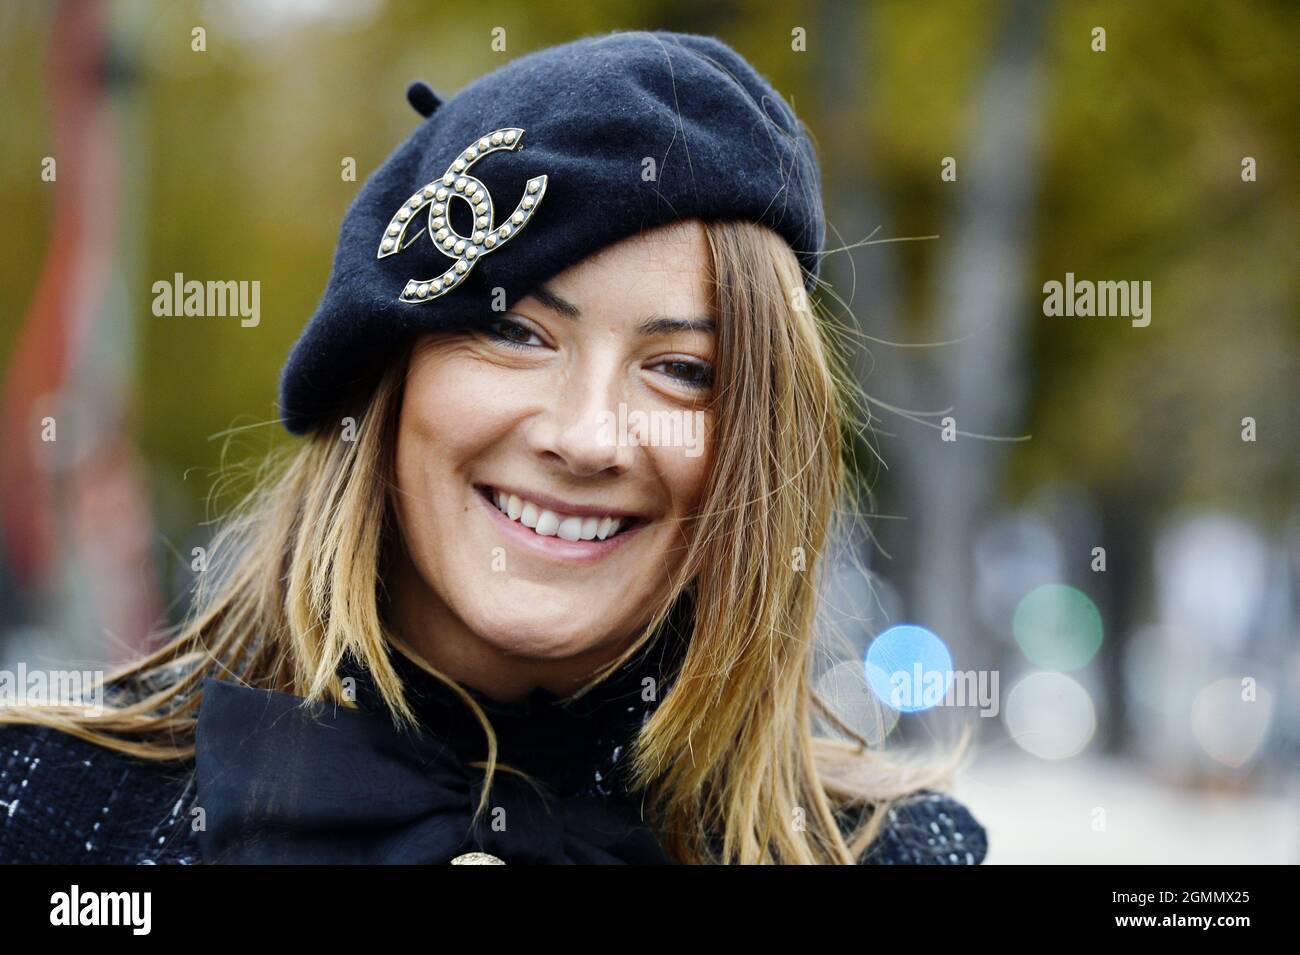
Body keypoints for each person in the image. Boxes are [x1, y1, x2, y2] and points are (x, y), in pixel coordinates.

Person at [0, 30, 987, 865]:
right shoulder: (46, 811)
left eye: (682, 369)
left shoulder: (890, 855)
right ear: (384, 380)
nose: (587, 435)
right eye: (517, 332)